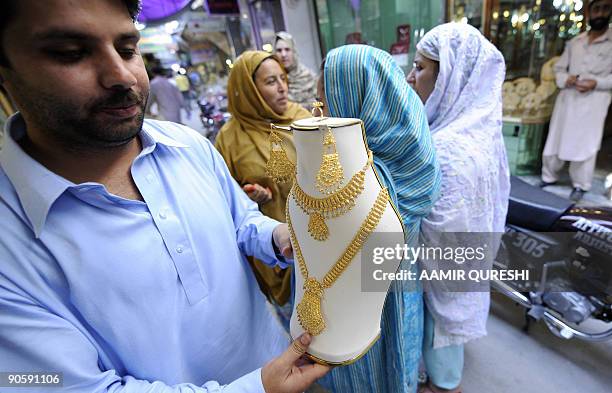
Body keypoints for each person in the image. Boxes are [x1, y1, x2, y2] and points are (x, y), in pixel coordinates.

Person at [0, 1, 329, 391]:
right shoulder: (10, 239)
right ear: (5, 73)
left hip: (284, 361)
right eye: (71, 54)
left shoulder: (189, 147)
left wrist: (279, 237)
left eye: (127, 49)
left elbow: (240, 222)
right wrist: (259, 387)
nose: (121, 76)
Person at [317, 44, 441, 393]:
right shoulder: (342, 153)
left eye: (327, 102)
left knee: (387, 364)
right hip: (357, 292)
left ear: (359, 100)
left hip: (386, 292)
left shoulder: (405, 161)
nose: (321, 114)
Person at [407, 23, 510, 393]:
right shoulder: (479, 129)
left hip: (442, 273)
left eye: (420, 67)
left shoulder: (447, 147)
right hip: (463, 266)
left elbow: (437, 229)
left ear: (449, 75)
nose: (410, 76)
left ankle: (442, 386)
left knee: (440, 330)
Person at [215, 51, 310, 322]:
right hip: (272, 249)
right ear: (248, 89)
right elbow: (225, 199)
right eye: (270, 81)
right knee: (298, 333)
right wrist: (254, 198)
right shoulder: (230, 138)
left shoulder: (302, 119)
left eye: (283, 78)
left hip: (317, 240)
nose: (282, 87)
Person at [540, 0, 612, 202]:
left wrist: (595, 82)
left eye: (605, 9)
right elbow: (559, 69)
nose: (600, 13)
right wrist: (566, 79)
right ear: (589, 13)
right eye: (596, 9)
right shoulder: (575, 42)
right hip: (569, 97)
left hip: (594, 101)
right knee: (556, 138)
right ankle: (549, 176)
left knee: (586, 144)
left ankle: (581, 185)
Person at [274, 32, 318, 109]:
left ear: (294, 51)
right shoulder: (272, 80)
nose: (283, 54)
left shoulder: (309, 76)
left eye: (287, 49)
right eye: (279, 50)